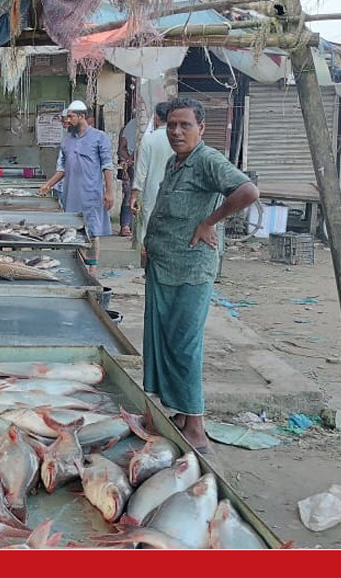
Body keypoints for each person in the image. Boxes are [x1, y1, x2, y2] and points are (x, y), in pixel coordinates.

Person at [143, 97, 259, 454]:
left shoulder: (207, 160)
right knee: (162, 343)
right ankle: (177, 411)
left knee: (184, 345)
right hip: (164, 265)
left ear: (201, 129)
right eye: (172, 125)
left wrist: (209, 222)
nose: (177, 131)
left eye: (185, 125)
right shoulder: (174, 162)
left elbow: (248, 191)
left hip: (190, 269)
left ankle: (195, 426)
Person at [38, 100, 116, 275]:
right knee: (74, 231)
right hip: (70, 193)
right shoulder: (66, 140)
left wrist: (109, 192)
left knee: (93, 233)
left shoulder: (99, 137)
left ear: (82, 116)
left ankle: (93, 268)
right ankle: (80, 268)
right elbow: (62, 168)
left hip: (92, 193)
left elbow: (107, 165)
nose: (68, 120)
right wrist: (48, 184)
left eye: (71, 116)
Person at [131, 102, 174, 259]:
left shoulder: (149, 140)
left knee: (149, 227)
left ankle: (150, 264)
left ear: (156, 118)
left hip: (152, 192)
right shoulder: (178, 138)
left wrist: (134, 196)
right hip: (174, 192)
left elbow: (141, 173)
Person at [117, 116, 139, 237]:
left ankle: (127, 225)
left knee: (130, 195)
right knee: (130, 194)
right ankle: (125, 225)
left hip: (133, 164)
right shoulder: (133, 125)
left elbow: (122, 147)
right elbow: (122, 148)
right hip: (132, 167)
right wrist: (130, 160)